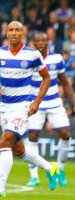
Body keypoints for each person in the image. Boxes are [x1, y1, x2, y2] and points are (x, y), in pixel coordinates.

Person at [0, 22, 58, 197]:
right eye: (11, 30)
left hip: (23, 106)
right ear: (6, 33)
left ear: (23, 33)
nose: (14, 33)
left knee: (5, 141)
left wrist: (37, 102)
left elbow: (46, 79)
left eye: (17, 30)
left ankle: (0, 187)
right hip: (5, 106)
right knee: (18, 149)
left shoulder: (33, 55)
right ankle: (49, 168)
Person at [25, 32, 74, 188]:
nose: (41, 42)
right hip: (35, 103)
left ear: (48, 42)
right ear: (33, 43)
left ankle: (59, 168)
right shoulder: (29, 60)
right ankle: (34, 176)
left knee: (65, 134)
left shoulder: (57, 59)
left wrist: (73, 102)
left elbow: (65, 83)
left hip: (54, 102)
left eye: (43, 40)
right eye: (38, 40)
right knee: (32, 136)